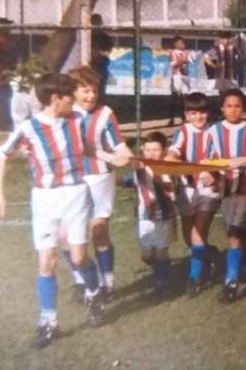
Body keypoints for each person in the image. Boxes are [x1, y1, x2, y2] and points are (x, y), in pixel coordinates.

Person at [0, 73, 105, 349]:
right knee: (47, 261)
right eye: (71, 96)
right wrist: (0, 194)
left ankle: (94, 292)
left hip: (76, 195)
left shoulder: (76, 120)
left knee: (78, 258)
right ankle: (48, 321)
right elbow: (3, 154)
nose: (76, 100)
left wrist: (112, 156)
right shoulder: (29, 128)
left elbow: (89, 149)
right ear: (56, 99)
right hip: (44, 199)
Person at [65, 66, 132, 300]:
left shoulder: (105, 113)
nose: (91, 96)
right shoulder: (65, 113)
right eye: (85, 91)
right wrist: (111, 156)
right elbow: (81, 147)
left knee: (98, 230)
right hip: (70, 179)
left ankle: (107, 283)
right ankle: (81, 280)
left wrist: (126, 155)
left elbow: (119, 145)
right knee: (67, 235)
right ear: (73, 92)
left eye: (94, 90)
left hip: (100, 177)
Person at [206, 88, 246, 303]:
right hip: (225, 187)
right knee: (236, 232)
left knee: (235, 233)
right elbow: (209, 158)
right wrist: (208, 174)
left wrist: (244, 160)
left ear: (244, 108)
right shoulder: (214, 131)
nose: (233, 110)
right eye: (229, 106)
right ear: (222, 108)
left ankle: (231, 282)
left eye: (238, 106)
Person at [167, 91, 220, 296]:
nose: (199, 117)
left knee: (198, 232)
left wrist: (215, 174)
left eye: (202, 112)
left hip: (208, 188)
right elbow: (174, 152)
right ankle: (211, 256)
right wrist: (171, 159)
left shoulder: (215, 131)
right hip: (186, 187)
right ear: (187, 115)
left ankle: (194, 279)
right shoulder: (184, 131)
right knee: (191, 239)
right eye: (193, 113)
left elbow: (222, 157)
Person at [130, 131, 176, 296]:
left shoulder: (166, 168)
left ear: (163, 150)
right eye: (148, 150)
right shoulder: (139, 168)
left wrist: (159, 179)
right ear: (142, 150)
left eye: (155, 149)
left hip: (162, 216)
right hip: (143, 217)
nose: (151, 153)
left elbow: (171, 189)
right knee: (147, 255)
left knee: (161, 252)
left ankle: (162, 283)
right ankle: (160, 273)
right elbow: (130, 181)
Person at [90, 13, 114, 102]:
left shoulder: (105, 37)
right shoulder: (87, 35)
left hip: (101, 65)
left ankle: (100, 103)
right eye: (94, 22)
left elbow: (107, 52)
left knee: (101, 87)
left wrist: (98, 53)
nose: (96, 25)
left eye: (98, 22)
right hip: (90, 65)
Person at [169, 36, 191, 126]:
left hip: (185, 77)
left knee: (184, 98)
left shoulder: (186, 53)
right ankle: (172, 119)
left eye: (184, 43)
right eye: (181, 43)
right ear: (176, 44)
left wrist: (183, 60)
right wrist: (182, 60)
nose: (183, 45)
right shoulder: (173, 52)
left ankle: (184, 118)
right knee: (174, 98)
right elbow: (174, 65)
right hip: (176, 77)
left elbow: (188, 61)